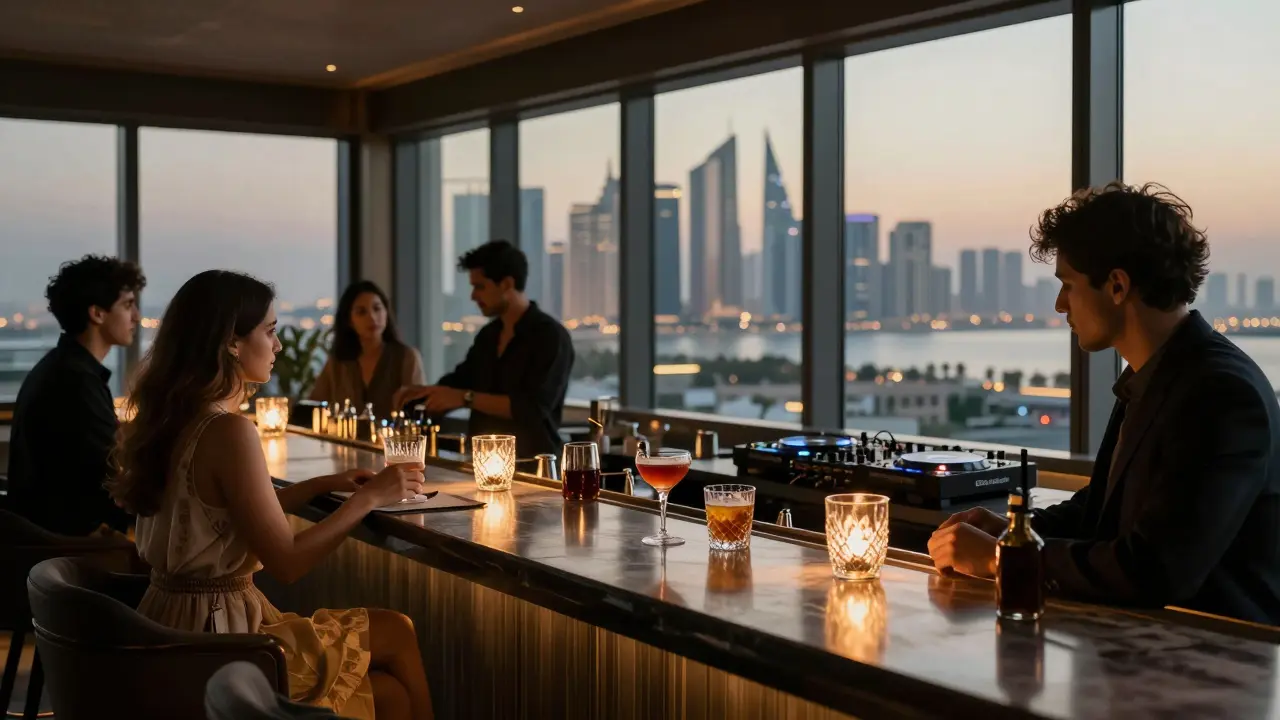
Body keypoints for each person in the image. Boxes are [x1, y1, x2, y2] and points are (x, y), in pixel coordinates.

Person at [928, 182, 1280, 625]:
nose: (1059, 305)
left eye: (1068, 285)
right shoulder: (1156, 374)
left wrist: (1003, 558)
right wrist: (1018, 532)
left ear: (1116, 286)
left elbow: (1154, 569)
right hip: (1149, 653)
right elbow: (1103, 509)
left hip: (1214, 667)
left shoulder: (1223, 395)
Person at [109, 270, 433, 720]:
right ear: (231, 342)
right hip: (222, 636)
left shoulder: (171, 418)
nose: (279, 346)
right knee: (396, 632)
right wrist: (369, 499)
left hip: (170, 619)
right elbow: (288, 562)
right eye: (270, 331)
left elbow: (217, 519)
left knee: (390, 695)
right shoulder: (228, 430)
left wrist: (319, 487)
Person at [392, 240, 574, 458]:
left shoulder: (550, 336)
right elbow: (460, 382)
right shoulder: (488, 336)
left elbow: (532, 408)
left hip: (532, 465)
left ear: (506, 284)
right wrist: (421, 393)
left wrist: (465, 398)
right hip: (481, 463)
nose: (473, 296)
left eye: (480, 286)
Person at [6, 255, 144, 536]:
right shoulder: (75, 382)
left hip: (51, 537)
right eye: (128, 305)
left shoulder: (63, 368)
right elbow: (107, 480)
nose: (137, 316)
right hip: (71, 547)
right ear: (97, 314)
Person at [310, 280, 425, 418]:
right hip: (344, 438)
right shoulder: (338, 362)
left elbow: (417, 410)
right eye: (361, 312)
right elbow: (313, 405)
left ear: (386, 312)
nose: (372, 317)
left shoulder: (406, 357)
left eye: (377, 309)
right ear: (349, 321)